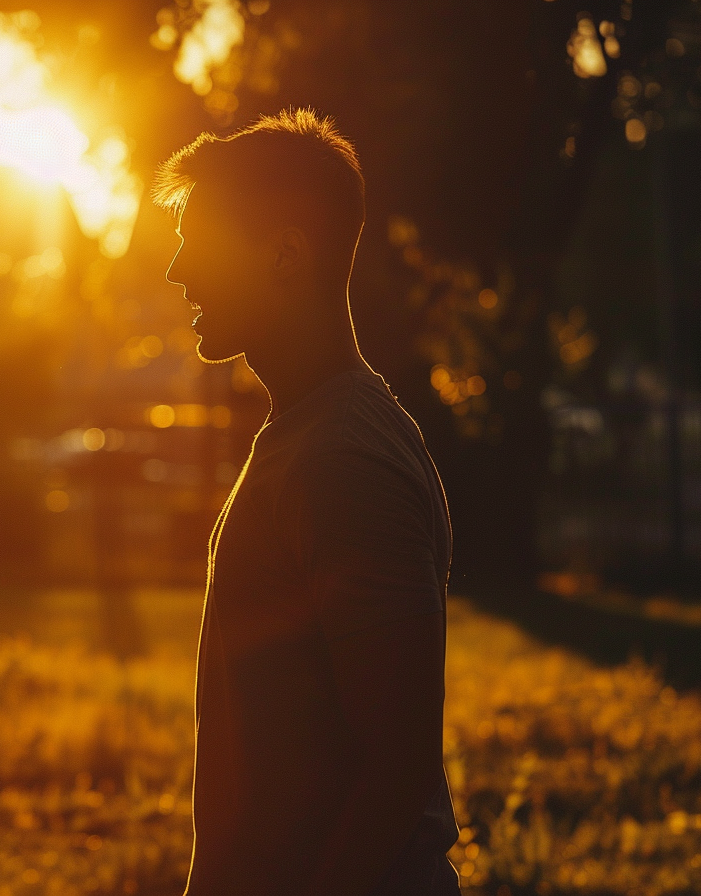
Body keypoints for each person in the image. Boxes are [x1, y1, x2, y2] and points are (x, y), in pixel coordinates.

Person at [153, 109, 460, 895]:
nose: (177, 270)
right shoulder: (306, 433)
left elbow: (399, 764)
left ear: (286, 252)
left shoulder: (344, 460)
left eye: (199, 240)